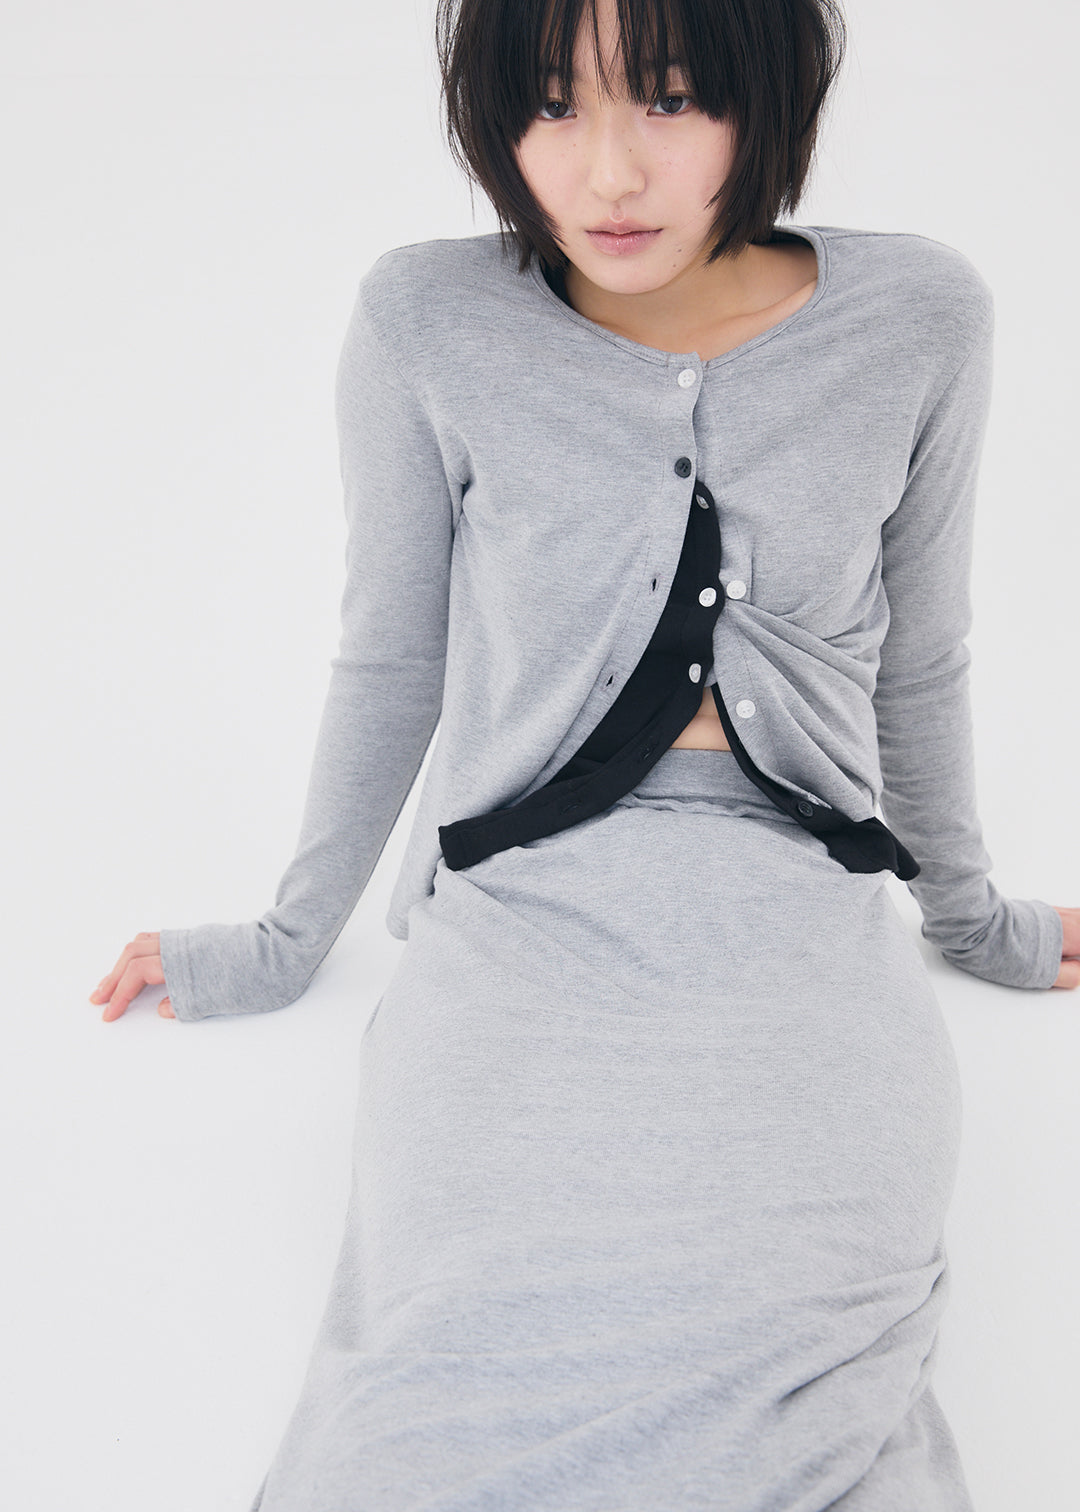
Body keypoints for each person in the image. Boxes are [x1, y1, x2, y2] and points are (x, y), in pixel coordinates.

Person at [89, 0, 1079, 1505]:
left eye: (669, 98)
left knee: (812, 1372)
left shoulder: (921, 318)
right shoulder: (427, 320)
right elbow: (391, 653)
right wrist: (286, 942)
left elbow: (921, 658)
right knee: (447, 1376)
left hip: (798, 928)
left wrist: (972, 923)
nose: (608, 173)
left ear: (767, 98)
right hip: (518, 920)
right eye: (553, 104)